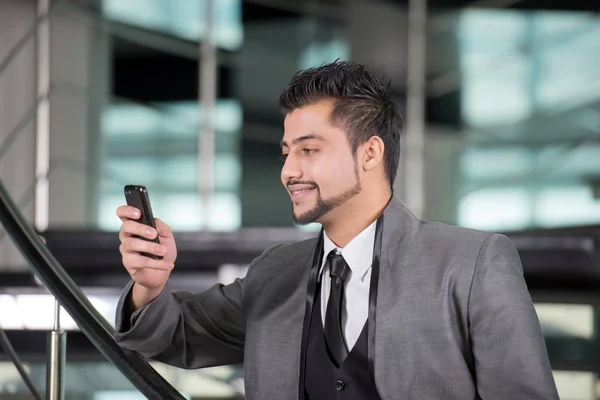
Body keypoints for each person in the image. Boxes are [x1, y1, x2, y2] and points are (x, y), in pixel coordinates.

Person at [114, 61, 558, 400]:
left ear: (370, 153)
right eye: (286, 152)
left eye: (309, 149)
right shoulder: (275, 273)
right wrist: (149, 287)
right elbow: (175, 336)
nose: (289, 170)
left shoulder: (472, 263)